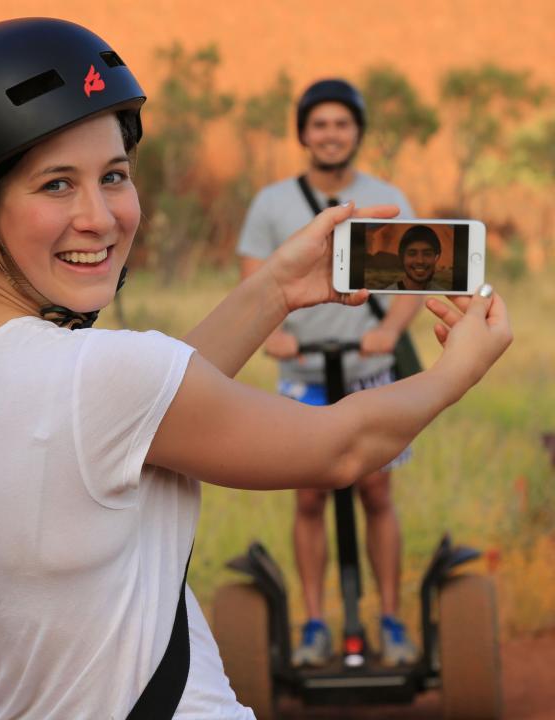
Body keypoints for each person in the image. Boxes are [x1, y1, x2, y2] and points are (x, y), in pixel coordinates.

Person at [0, 20, 511, 720]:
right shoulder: (95, 378)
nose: (99, 217)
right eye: (56, 186)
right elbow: (342, 448)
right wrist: (455, 372)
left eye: (113, 176)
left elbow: (146, 409)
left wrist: (277, 289)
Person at [238, 78, 427, 667]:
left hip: (371, 365)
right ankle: (316, 624)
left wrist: (390, 333)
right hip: (307, 370)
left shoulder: (386, 195)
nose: (330, 134)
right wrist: (273, 336)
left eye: (341, 124)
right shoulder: (272, 203)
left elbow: (414, 277)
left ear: (357, 132)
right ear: (303, 133)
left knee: (375, 489)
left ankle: (392, 621)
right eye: (318, 124)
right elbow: (254, 279)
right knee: (310, 494)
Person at [385, 224, 448, 292]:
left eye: (427, 254)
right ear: (402, 257)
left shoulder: (446, 297)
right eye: (412, 254)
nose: (420, 261)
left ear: (436, 257)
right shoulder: (384, 296)